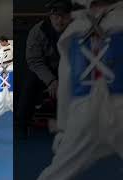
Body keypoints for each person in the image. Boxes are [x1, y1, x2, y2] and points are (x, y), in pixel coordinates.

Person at [38, 0, 123, 179]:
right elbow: (67, 79)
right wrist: (62, 128)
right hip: (86, 108)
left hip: (103, 106)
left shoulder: (76, 29)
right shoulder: (74, 29)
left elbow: (66, 81)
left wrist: (62, 128)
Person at [16, 0, 73, 139]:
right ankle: (21, 126)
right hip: (44, 71)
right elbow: (34, 61)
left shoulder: (78, 30)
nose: (60, 20)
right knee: (29, 84)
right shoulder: (38, 31)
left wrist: (65, 79)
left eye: (64, 16)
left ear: (70, 16)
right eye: (56, 16)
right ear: (50, 16)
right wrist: (51, 80)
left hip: (70, 70)